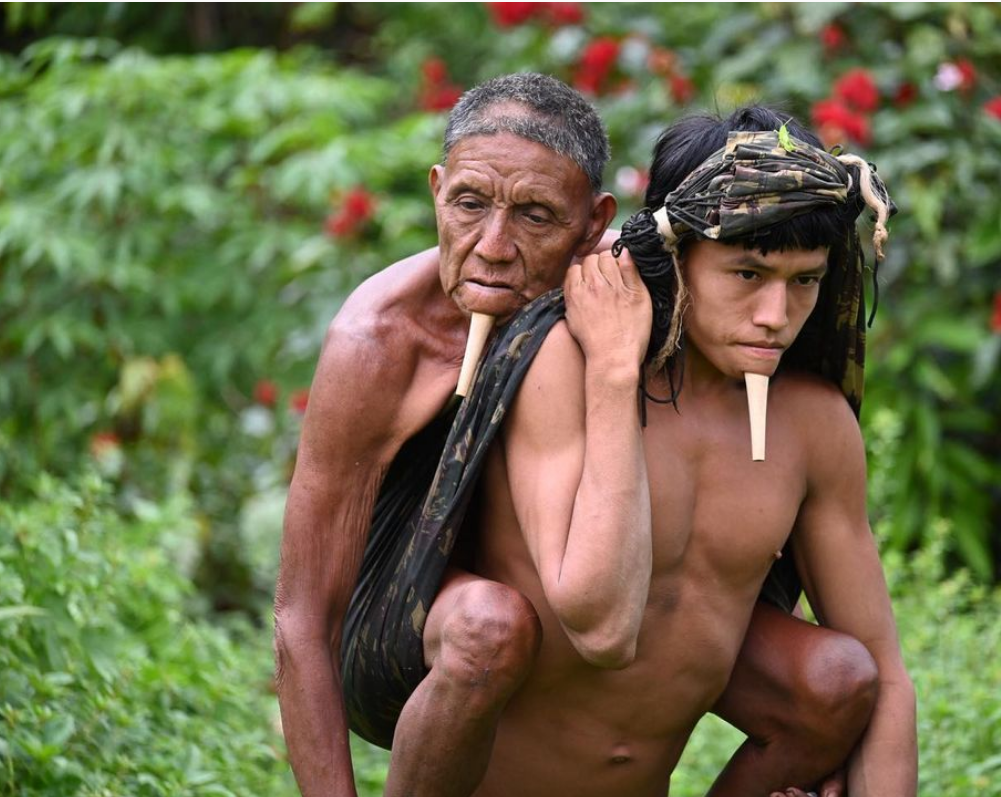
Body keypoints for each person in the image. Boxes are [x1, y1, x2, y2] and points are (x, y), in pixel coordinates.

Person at [275, 73, 877, 797]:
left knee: (832, 679)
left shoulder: (632, 295)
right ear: (436, 190)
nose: (493, 247)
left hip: (590, 627)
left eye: (534, 216)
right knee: (487, 626)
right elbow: (305, 615)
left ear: (595, 225)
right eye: (469, 204)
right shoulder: (381, 340)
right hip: (430, 627)